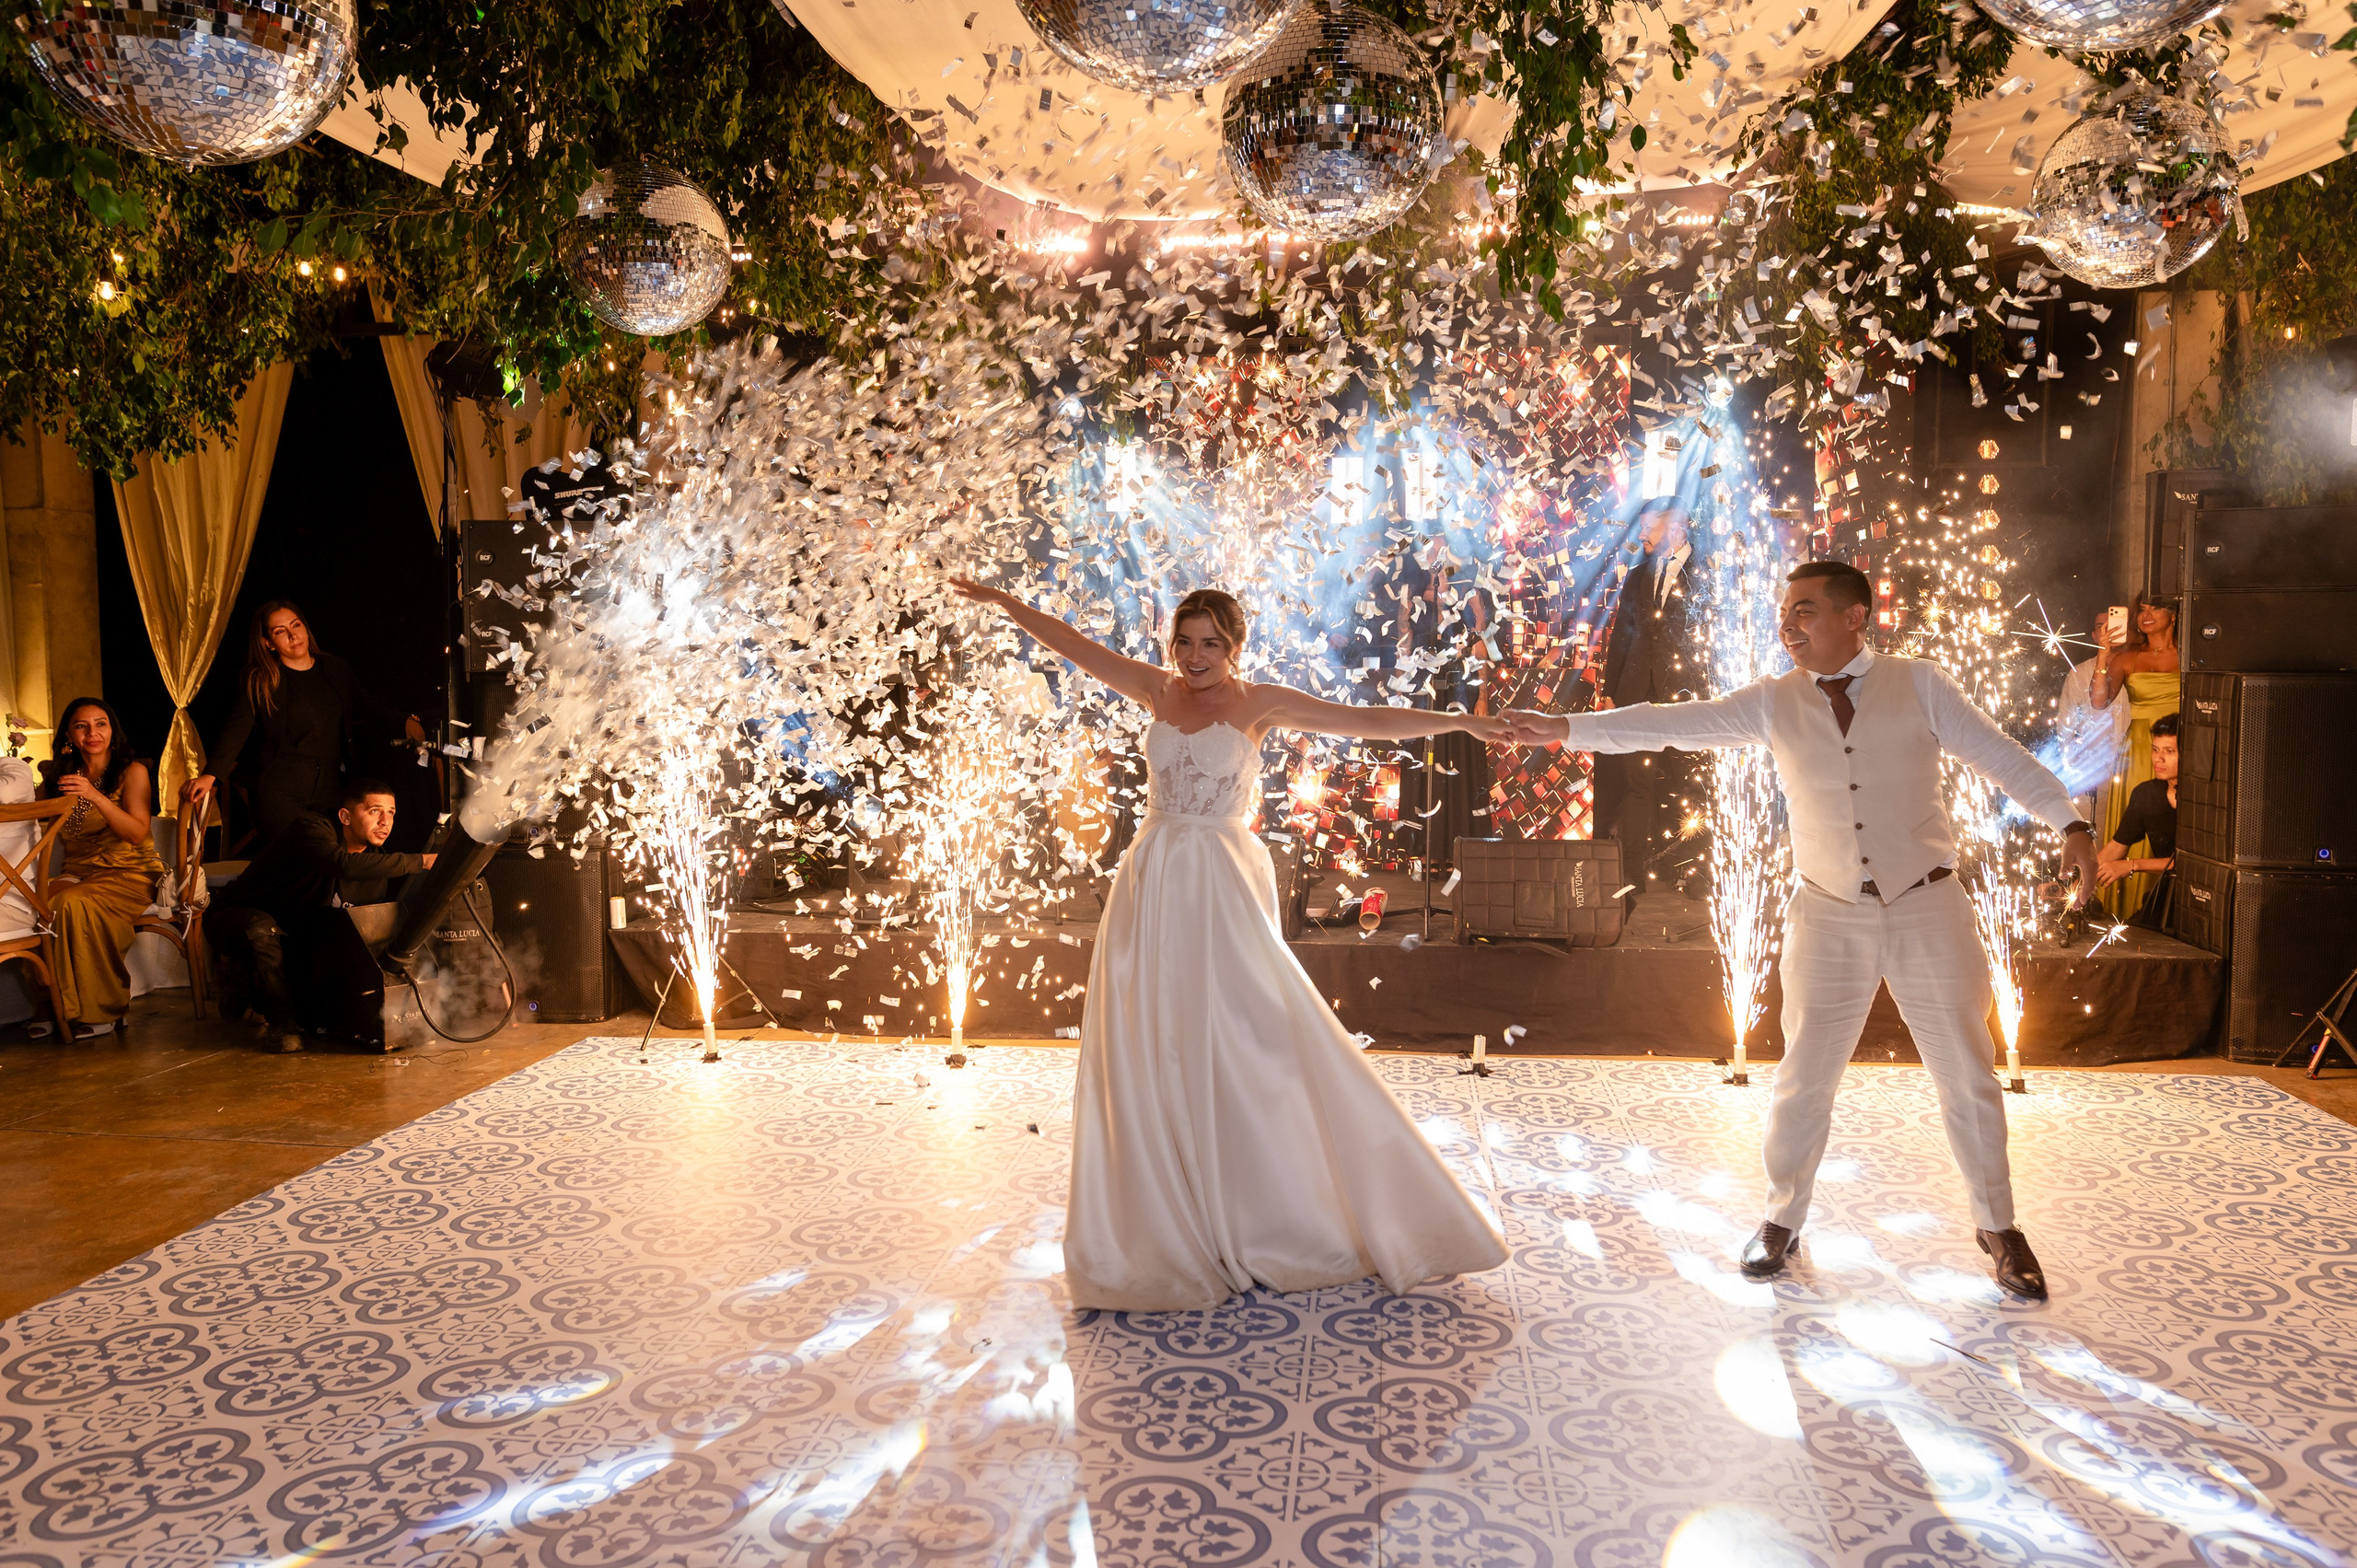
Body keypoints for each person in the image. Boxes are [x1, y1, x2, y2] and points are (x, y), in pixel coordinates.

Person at [1504, 562, 2099, 1301]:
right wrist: (1566, 729)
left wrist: (2069, 821)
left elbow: (2003, 756)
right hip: (1826, 912)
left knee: (1968, 1075)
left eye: (1806, 610)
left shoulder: (1920, 683)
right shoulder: (1774, 701)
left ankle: (1999, 1225)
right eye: (1785, 612)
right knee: (1802, 1078)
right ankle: (1783, 1219)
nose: (1789, 626)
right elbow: (1667, 721)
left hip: (1928, 905)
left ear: (1857, 617)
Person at [951, 577, 1511, 1313]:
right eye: (1184, 642)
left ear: (1235, 647)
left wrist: (1462, 726)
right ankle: (1166, 1212)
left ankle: (1284, 1203)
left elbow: (1364, 719)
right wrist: (1008, 603)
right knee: (1150, 1041)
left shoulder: (1259, 704)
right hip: (1150, 882)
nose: (1194, 656)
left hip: (1219, 881)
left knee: (1258, 1033)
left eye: (1210, 643)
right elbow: (1076, 647)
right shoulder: (1157, 689)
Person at [203, 776, 435, 1053]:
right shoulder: (311, 830)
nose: (385, 821)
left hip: (295, 931)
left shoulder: (374, 864)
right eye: (374, 811)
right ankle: (280, 1023)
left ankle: (248, 991)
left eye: (391, 813)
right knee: (261, 930)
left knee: (317, 1015)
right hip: (234, 917)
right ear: (345, 816)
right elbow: (342, 865)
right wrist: (422, 861)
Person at [185, 600, 428, 851]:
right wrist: (211, 775)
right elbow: (236, 729)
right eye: (280, 631)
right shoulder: (262, 679)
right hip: (281, 788)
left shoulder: (336, 669)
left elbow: (368, 707)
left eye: (296, 625)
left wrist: (405, 722)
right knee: (299, 860)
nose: (293, 635)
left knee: (334, 861)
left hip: (331, 787)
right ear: (268, 642)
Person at [1594, 501, 1701, 905]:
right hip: (1636, 696)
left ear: (1675, 524)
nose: (1640, 535)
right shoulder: (1638, 575)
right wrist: (1609, 691)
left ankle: (1693, 874)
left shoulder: (1707, 571)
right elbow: (1621, 635)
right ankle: (1631, 877)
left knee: (1688, 786)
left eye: (1647, 527)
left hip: (1688, 698)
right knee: (1637, 788)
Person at [40, 698, 167, 1039]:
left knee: (73, 904)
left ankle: (102, 1011)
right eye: (81, 726)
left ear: (112, 730)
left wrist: (95, 796)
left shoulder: (132, 771)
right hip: (80, 872)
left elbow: (138, 834)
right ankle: (55, 1007)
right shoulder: (61, 775)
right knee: (33, 907)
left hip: (131, 872)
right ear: (69, 733)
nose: (92, 733)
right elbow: (32, 816)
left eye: (101, 724)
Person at [2090, 590, 2179, 921]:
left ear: (2174, 613)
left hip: (2181, 745)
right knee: (2134, 821)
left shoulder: (2191, 655)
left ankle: (2166, 907)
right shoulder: (2128, 657)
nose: (2146, 615)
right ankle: (2125, 910)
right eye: (2142, 609)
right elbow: (2098, 703)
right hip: (2143, 747)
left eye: (2156, 607)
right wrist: (2104, 654)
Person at [2100, 713, 2178, 928]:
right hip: (2163, 900)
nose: (2158, 759)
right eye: (2155, 750)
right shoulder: (2147, 794)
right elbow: (2117, 846)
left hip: (2201, 903)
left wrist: (2132, 866)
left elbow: (2191, 864)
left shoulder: (2208, 801)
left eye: (2169, 751)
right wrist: (2076, 881)